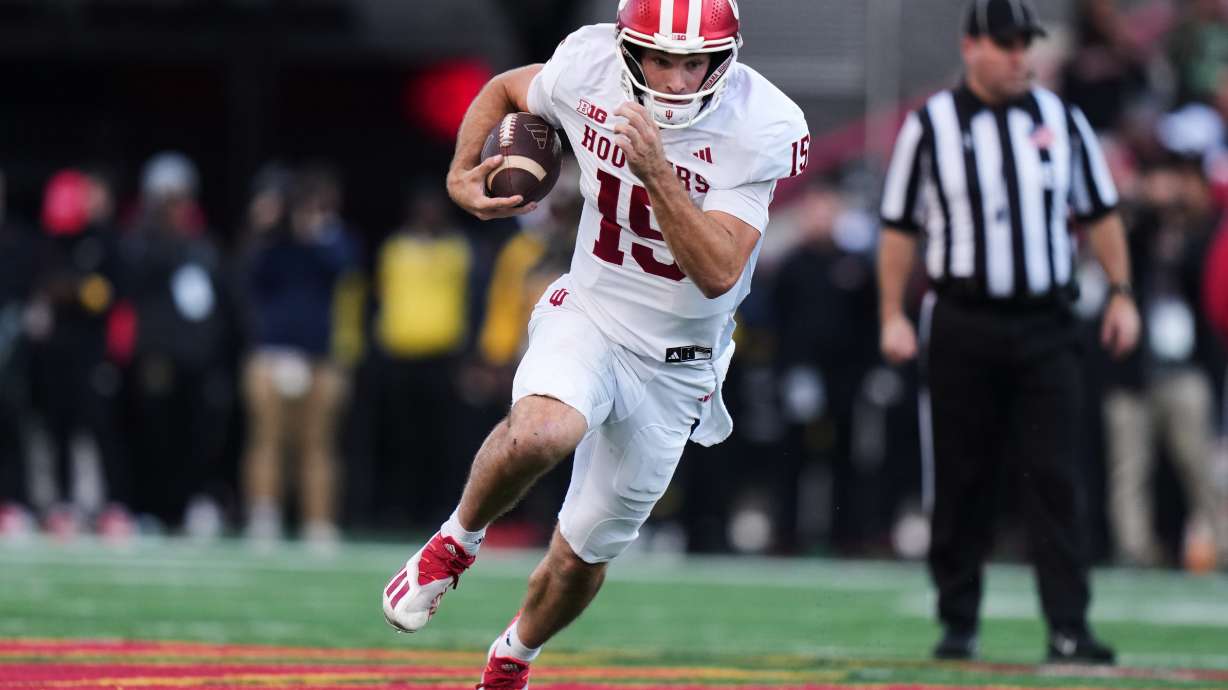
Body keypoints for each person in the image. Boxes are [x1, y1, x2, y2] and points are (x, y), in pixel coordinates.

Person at [380, 1, 809, 686]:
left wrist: (658, 170)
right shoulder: (588, 65)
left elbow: (718, 271)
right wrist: (463, 172)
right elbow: (507, 89)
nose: (674, 79)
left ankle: (514, 656)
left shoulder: (762, 123)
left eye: (692, 61)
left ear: (723, 59)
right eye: (660, 58)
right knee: (545, 430)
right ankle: (455, 542)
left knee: (582, 554)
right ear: (628, 49)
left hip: (677, 366)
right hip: (592, 311)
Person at [877, 0, 1140, 664]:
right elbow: (899, 227)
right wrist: (891, 315)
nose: (1020, 55)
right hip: (963, 319)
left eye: (1026, 43)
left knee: (1057, 476)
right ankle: (959, 619)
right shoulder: (931, 125)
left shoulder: (1061, 118)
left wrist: (1120, 292)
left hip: (1047, 320)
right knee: (963, 476)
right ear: (972, 47)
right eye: (1006, 43)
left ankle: (1069, 627)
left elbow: (1101, 211)